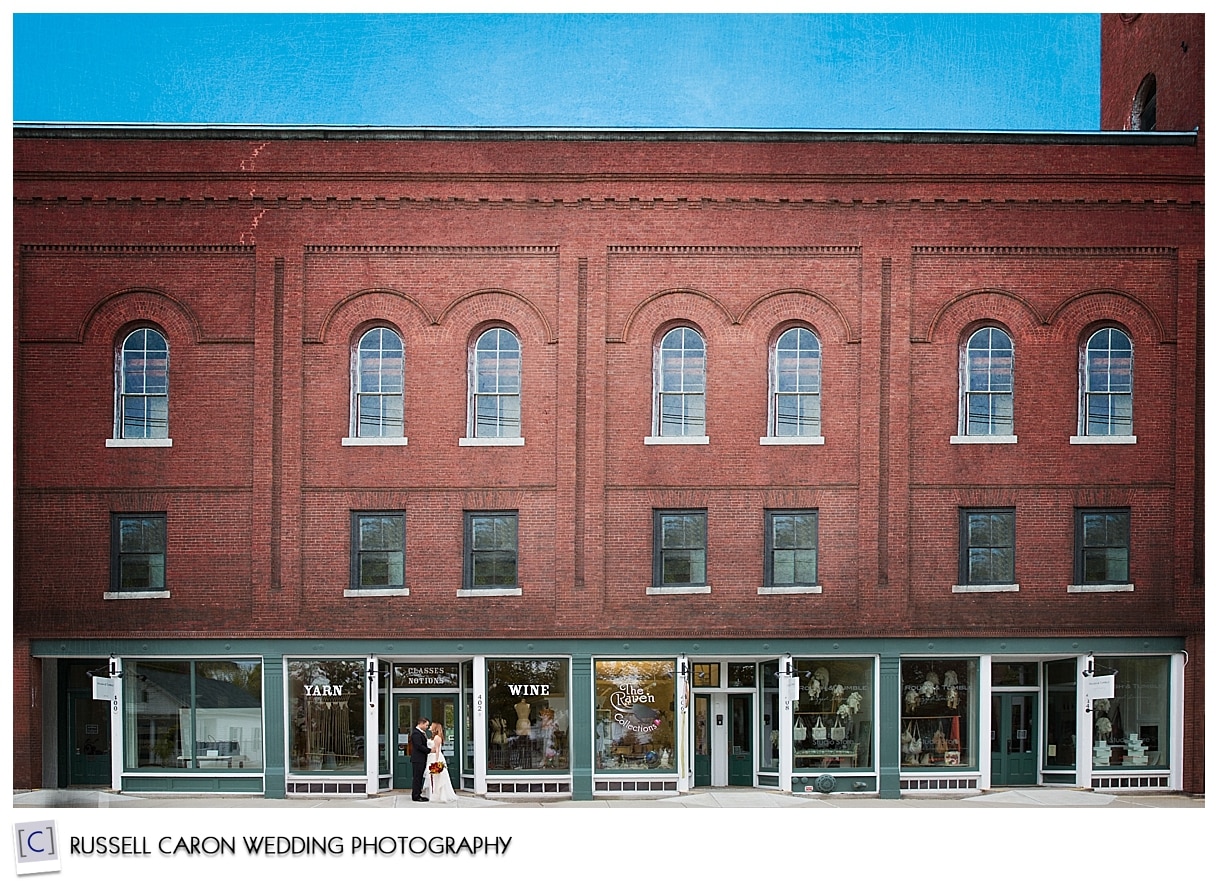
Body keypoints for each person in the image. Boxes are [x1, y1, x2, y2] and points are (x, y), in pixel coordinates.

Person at [422, 722, 457, 803]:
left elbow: (437, 750)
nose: (430, 726)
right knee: (431, 777)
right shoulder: (432, 737)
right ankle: (433, 794)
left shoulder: (437, 738)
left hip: (435, 757)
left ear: (435, 728)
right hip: (430, 757)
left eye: (431, 726)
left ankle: (437, 795)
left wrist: (436, 761)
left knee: (437, 777)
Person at [409, 716, 431, 802]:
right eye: (426, 725)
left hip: (421, 759)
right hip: (418, 759)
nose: (427, 727)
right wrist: (429, 750)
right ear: (421, 723)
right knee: (417, 777)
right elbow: (419, 746)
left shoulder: (421, 733)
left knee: (419, 777)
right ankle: (416, 796)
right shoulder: (416, 733)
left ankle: (418, 793)